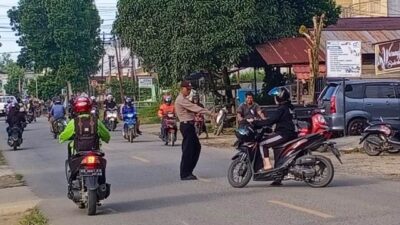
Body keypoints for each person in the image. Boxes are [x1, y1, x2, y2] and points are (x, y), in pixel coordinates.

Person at [250, 87, 297, 185]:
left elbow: (271, 120)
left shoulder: (281, 109)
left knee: (263, 144)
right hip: (291, 133)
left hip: (284, 134)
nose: (274, 98)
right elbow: (280, 121)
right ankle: (278, 178)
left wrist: (255, 122)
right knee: (277, 150)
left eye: (275, 97)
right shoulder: (289, 107)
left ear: (279, 97)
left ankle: (267, 166)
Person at [59, 96, 110, 185]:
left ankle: (71, 181)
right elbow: (106, 135)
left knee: (70, 154)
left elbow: (64, 136)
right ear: (90, 107)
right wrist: (105, 139)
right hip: (95, 151)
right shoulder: (96, 121)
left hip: (79, 152)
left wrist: (61, 138)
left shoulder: (74, 122)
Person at [175, 81, 213, 180]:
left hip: (189, 125)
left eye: (190, 89)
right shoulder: (181, 100)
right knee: (189, 150)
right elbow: (195, 108)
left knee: (196, 147)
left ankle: (188, 171)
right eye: (187, 89)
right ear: (182, 88)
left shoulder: (185, 99)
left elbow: (192, 110)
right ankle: (185, 173)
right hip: (186, 126)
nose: (188, 91)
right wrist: (211, 113)